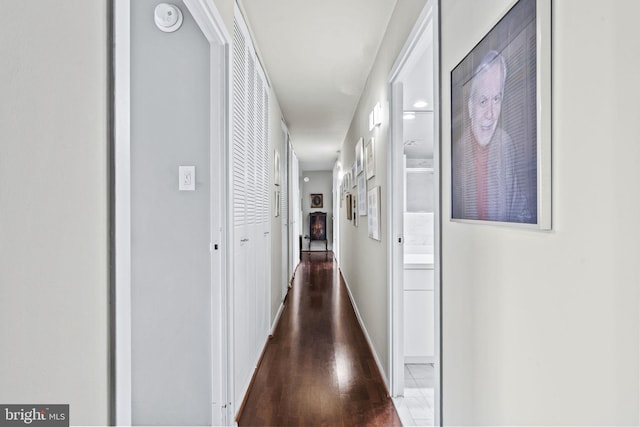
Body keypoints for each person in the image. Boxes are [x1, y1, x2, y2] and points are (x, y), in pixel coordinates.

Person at [452, 50, 532, 223]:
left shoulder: (506, 145)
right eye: (483, 101)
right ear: (470, 106)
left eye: (496, 99)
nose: (490, 114)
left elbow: (519, 208)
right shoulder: (457, 151)